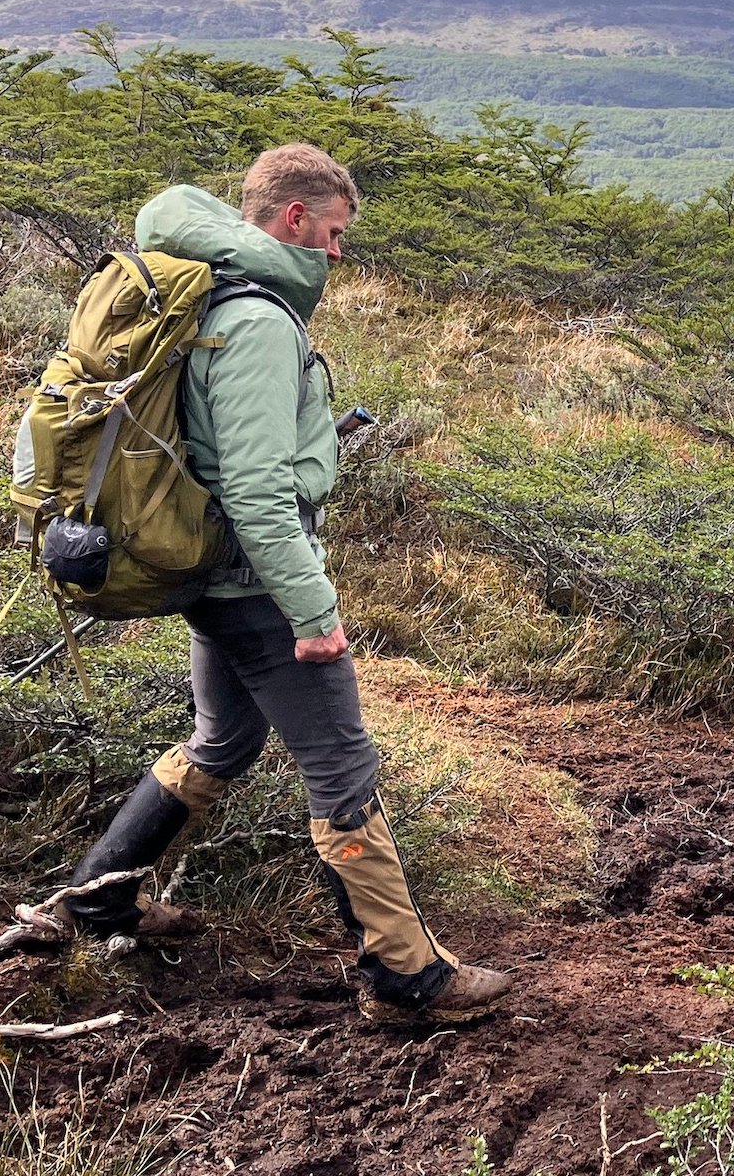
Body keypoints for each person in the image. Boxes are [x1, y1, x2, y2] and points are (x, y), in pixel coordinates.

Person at [55, 144, 512, 1026]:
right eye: (333, 232)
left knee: (222, 741)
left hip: (213, 573)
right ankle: (406, 980)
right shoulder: (260, 320)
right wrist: (313, 612)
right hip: (257, 587)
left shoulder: (207, 294)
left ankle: (99, 902)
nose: (337, 251)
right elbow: (258, 489)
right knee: (342, 767)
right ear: (294, 218)